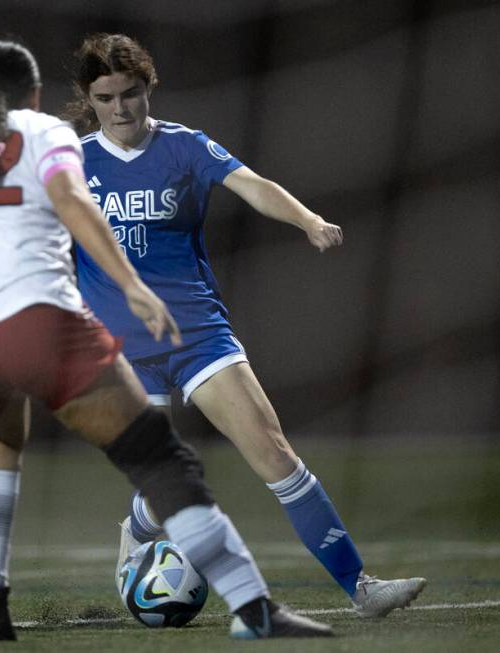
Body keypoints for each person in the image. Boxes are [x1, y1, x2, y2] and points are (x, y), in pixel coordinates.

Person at [0, 40, 332, 642]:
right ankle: (253, 609)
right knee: (161, 458)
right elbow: (72, 201)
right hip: (38, 323)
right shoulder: (47, 133)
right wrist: (131, 287)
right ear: (37, 97)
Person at [61, 33, 426, 619]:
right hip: (122, 346)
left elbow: (251, 184)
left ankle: (362, 589)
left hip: (196, 333)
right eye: (106, 98)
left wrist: (307, 220)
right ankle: (138, 527)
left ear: (148, 88)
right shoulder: (70, 163)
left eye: (131, 93)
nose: (121, 109)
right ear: (89, 97)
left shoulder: (183, 147)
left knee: (273, 450)